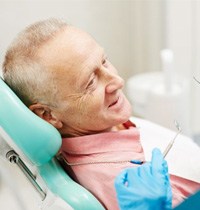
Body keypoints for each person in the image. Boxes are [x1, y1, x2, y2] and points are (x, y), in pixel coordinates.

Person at [2, 18, 200, 210]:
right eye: (90, 83)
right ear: (47, 115)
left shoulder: (103, 123)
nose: (117, 81)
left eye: (104, 61)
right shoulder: (119, 184)